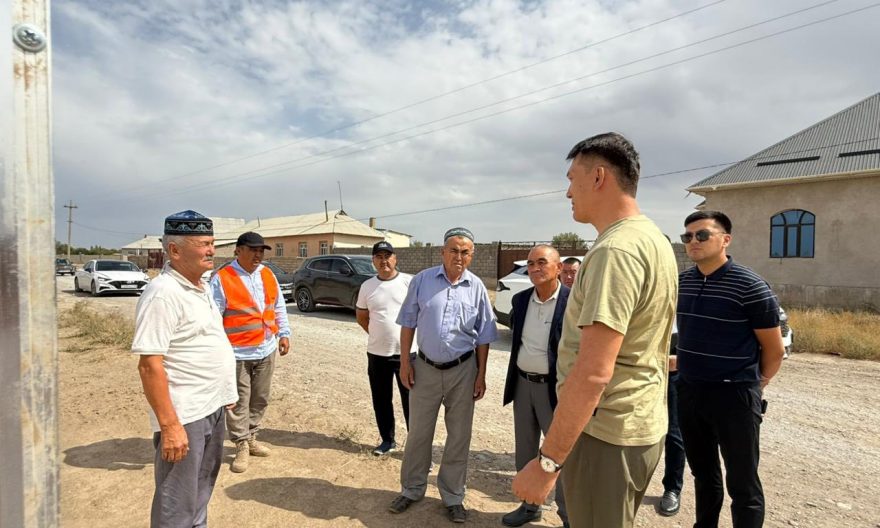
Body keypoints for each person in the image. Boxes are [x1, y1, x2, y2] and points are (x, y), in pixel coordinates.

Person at [512, 132, 678, 528]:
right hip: (635, 425)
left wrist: (548, 462)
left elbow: (593, 372)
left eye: (572, 179)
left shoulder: (614, 252)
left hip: (608, 435)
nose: (568, 192)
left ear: (599, 177)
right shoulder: (652, 239)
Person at [676, 210, 785, 528]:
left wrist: (756, 384)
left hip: (735, 396)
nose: (693, 241)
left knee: (742, 482)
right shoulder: (682, 283)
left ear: (725, 239)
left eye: (702, 235)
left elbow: (775, 349)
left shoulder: (750, 286)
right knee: (703, 475)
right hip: (690, 391)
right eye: (687, 236)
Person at [132, 210, 237, 527]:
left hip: (211, 407)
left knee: (200, 493)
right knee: (176, 505)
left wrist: (225, 391)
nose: (211, 250)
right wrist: (170, 426)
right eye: (203, 244)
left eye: (212, 243)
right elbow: (150, 366)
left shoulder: (200, 287)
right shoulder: (163, 294)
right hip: (186, 415)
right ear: (175, 250)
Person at [387, 227, 498, 524]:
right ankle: (411, 489)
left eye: (465, 252)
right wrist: (405, 363)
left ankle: (453, 496)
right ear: (442, 252)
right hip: (424, 368)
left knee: (459, 436)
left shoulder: (477, 287)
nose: (459, 256)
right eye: (453, 250)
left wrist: (481, 375)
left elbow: (484, 336)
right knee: (418, 433)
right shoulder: (422, 280)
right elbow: (408, 323)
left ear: (471, 256)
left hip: (463, 371)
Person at [210, 231, 291, 473]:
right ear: (238, 250)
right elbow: (214, 318)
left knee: (260, 398)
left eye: (261, 251)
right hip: (237, 353)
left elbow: (278, 305)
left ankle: (252, 436)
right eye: (253, 250)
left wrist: (284, 333)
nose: (258, 255)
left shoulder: (267, 274)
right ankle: (241, 444)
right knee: (239, 402)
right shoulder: (223, 278)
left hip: (266, 349)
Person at [501, 245, 570, 528]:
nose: (535, 268)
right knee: (525, 449)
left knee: (559, 453)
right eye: (530, 264)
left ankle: (568, 516)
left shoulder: (573, 302)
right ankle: (530, 506)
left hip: (555, 390)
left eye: (542, 262)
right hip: (523, 385)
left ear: (559, 268)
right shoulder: (520, 300)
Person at [355, 241, 413, 456]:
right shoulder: (367, 286)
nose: (384, 261)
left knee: (412, 402)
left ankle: (416, 445)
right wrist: (378, 334)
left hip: (408, 355)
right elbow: (362, 317)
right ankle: (387, 440)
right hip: (377, 354)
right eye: (379, 257)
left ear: (395, 258)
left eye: (387, 256)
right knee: (381, 399)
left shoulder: (409, 282)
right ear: (373, 261)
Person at [659, 329, 685, 517]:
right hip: (642, 369)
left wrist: (683, 359)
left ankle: (672, 489)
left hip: (674, 372)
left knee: (674, 433)